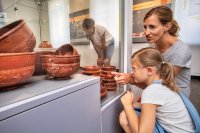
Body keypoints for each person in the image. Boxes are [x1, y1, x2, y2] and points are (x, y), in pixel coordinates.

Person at [113, 6, 191, 97]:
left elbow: (161, 84)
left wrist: (131, 79)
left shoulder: (180, 51)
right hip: (160, 92)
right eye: (145, 27)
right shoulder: (154, 43)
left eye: (152, 27)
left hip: (177, 99)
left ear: (167, 26)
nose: (146, 32)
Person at [120, 47, 195, 133]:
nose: (132, 72)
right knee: (127, 115)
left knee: (124, 117)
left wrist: (127, 105)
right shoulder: (163, 84)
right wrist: (134, 105)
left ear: (149, 70)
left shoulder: (151, 92)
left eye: (134, 68)